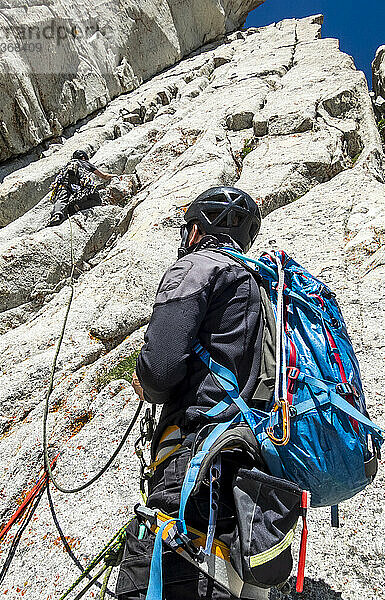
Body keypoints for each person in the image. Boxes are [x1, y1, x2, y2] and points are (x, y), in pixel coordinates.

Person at [115, 186, 264, 600]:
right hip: (252, 475)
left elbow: (160, 369)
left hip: (195, 459)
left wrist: (144, 381)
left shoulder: (198, 267)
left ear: (197, 229)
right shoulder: (261, 289)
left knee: (152, 580)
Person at [47, 150, 116, 226]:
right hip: (81, 186)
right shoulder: (84, 163)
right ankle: (77, 207)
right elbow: (104, 176)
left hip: (64, 184)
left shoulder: (67, 165)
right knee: (97, 200)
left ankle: (56, 216)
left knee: (61, 200)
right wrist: (115, 176)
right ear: (83, 157)